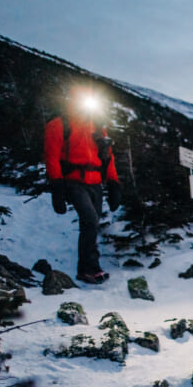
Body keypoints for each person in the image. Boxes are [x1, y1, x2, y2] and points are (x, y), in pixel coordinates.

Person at [43, 85, 122, 284]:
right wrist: (57, 189)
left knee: (91, 225)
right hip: (73, 181)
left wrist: (114, 184)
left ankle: (85, 268)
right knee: (90, 220)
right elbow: (51, 157)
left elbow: (107, 158)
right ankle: (89, 268)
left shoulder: (97, 127)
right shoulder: (59, 125)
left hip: (95, 182)